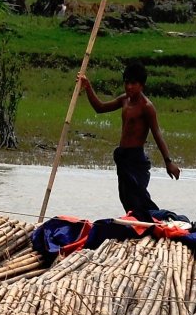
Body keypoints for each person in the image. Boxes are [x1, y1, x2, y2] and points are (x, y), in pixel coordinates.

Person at [77, 61, 181, 219]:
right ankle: (139, 225)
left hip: (136, 159)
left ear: (142, 85)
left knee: (139, 201)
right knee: (126, 198)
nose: (129, 87)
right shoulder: (124, 100)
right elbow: (100, 108)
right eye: (127, 82)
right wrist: (88, 87)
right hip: (123, 157)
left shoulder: (147, 106)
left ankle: (163, 220)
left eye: (133, 83)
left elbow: (157, 134)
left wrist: (168, 162)